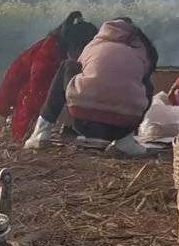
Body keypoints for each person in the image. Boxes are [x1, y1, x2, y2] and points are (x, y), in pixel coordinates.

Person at [24, 17, 158, 156]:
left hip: (82, 122)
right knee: (145, 84)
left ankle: (41, 133)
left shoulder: (95, 44)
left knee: (68, 66)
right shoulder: (141, 50)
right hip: (121, 129)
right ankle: (126, 142)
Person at [0, 11, 98, 141]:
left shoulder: (62, 53)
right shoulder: (46, 57)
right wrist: (25, 126)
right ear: (75, 46)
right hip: (30, 113)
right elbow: (32, 94)